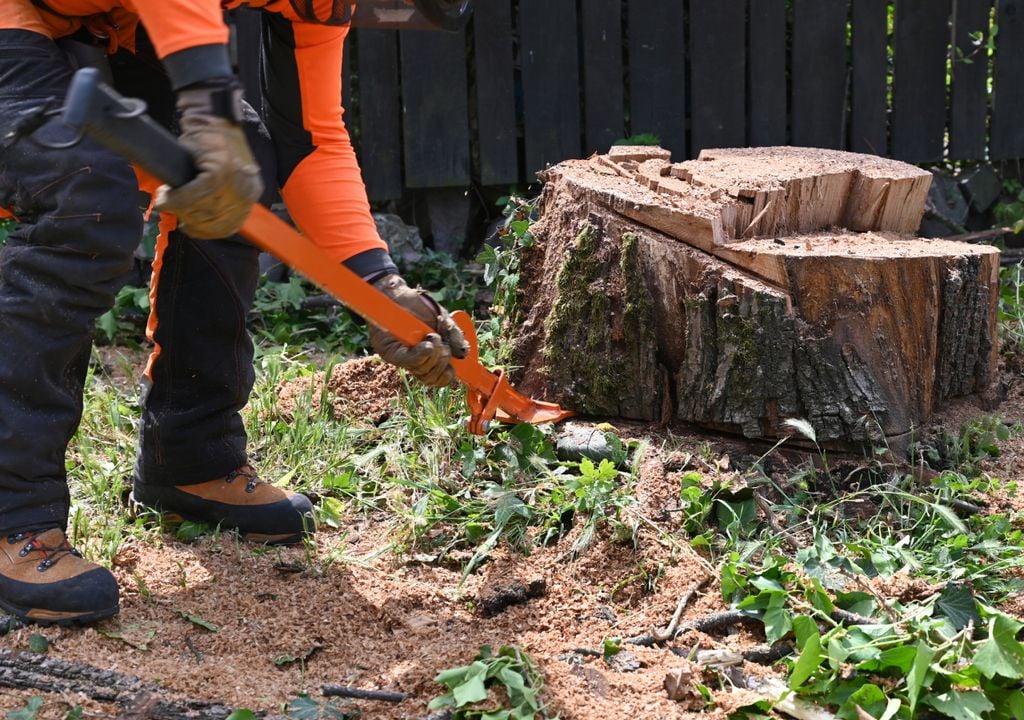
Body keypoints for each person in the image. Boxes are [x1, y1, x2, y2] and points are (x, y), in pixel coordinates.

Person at [0, 0, 468, 626]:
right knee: (83, 189)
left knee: (244, 156)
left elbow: (313, 143)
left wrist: (377, 282)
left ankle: (190, 458)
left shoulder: (320, 6)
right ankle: (12, 516)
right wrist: (208, 113)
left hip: (89, 24)